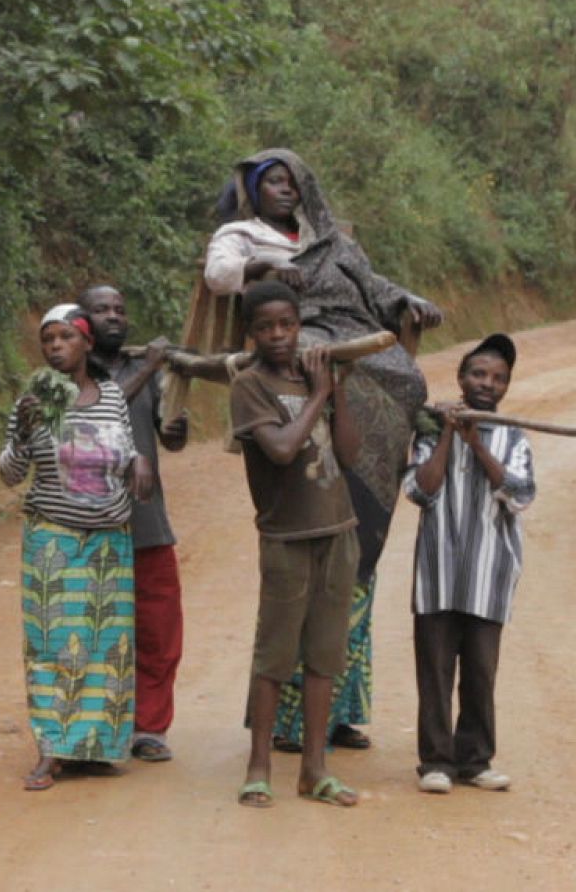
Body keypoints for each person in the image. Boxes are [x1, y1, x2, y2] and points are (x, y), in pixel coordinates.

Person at [205, 148, 444, 753]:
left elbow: (377, 287)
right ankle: (284, 729)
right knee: (315, 369)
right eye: (271, 182)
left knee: (405, 380)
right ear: (255, 192)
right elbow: (220, 276)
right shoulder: (241, 236)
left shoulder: (335, 242)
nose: (283, 191)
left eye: (291, 182)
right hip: (303, 336)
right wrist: (262, 266)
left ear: (305, 188)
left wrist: (410, 300)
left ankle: (338, 713)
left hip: (354, 334)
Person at [0, 304, 152, 790]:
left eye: (65, 337)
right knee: (49, 648)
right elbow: (9, 474)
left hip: (110, 544)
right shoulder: (35, 398)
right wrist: (23, 433)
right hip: (54, 543)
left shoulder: (110, 395)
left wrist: (139, 461)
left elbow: (124, 451)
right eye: (48, 340)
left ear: (86, 344)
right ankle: (51, 751)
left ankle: (96, 748)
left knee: (107, 648)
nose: (56, 347)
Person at [230, 281, 361, 808]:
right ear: (252, 333)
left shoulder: (315, 377)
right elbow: (283, 450)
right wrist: (320, 395)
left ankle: (314, 769)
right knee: (275, 656)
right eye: (266, 327)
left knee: (325, 656)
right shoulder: (250, 385)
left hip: (338, 530)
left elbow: (349, 455)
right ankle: (259, 767)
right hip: (286, 536)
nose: (279, 335)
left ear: (300, 323)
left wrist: (339, 388)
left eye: (287, 323)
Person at [402, 334, 534, 794]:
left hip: (489, 576)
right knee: (434, 670)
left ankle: (475, 760)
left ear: (506, 388)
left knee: (480, 672)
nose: (487, 383)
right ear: (461, 379)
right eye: (478, 374)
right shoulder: (429, 427)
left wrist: (476, 444)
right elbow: (421, 490)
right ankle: (436, 762)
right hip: (438, 573)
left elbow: (519, 496)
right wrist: (445, 437)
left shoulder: (513, 435)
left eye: (498, 378)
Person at [78, 285, 189, 763]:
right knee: (94, 633)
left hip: (146, 523)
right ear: (83, 323)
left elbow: (171, 440)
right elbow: (101, 412)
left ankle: (149, 726)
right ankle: (95, 724)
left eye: (121, 309)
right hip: (89, 526)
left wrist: (175, 429)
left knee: (158, 631)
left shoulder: (148, 374)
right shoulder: (72, 376)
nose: (114, 317)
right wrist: (150, 368)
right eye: (101, 310)